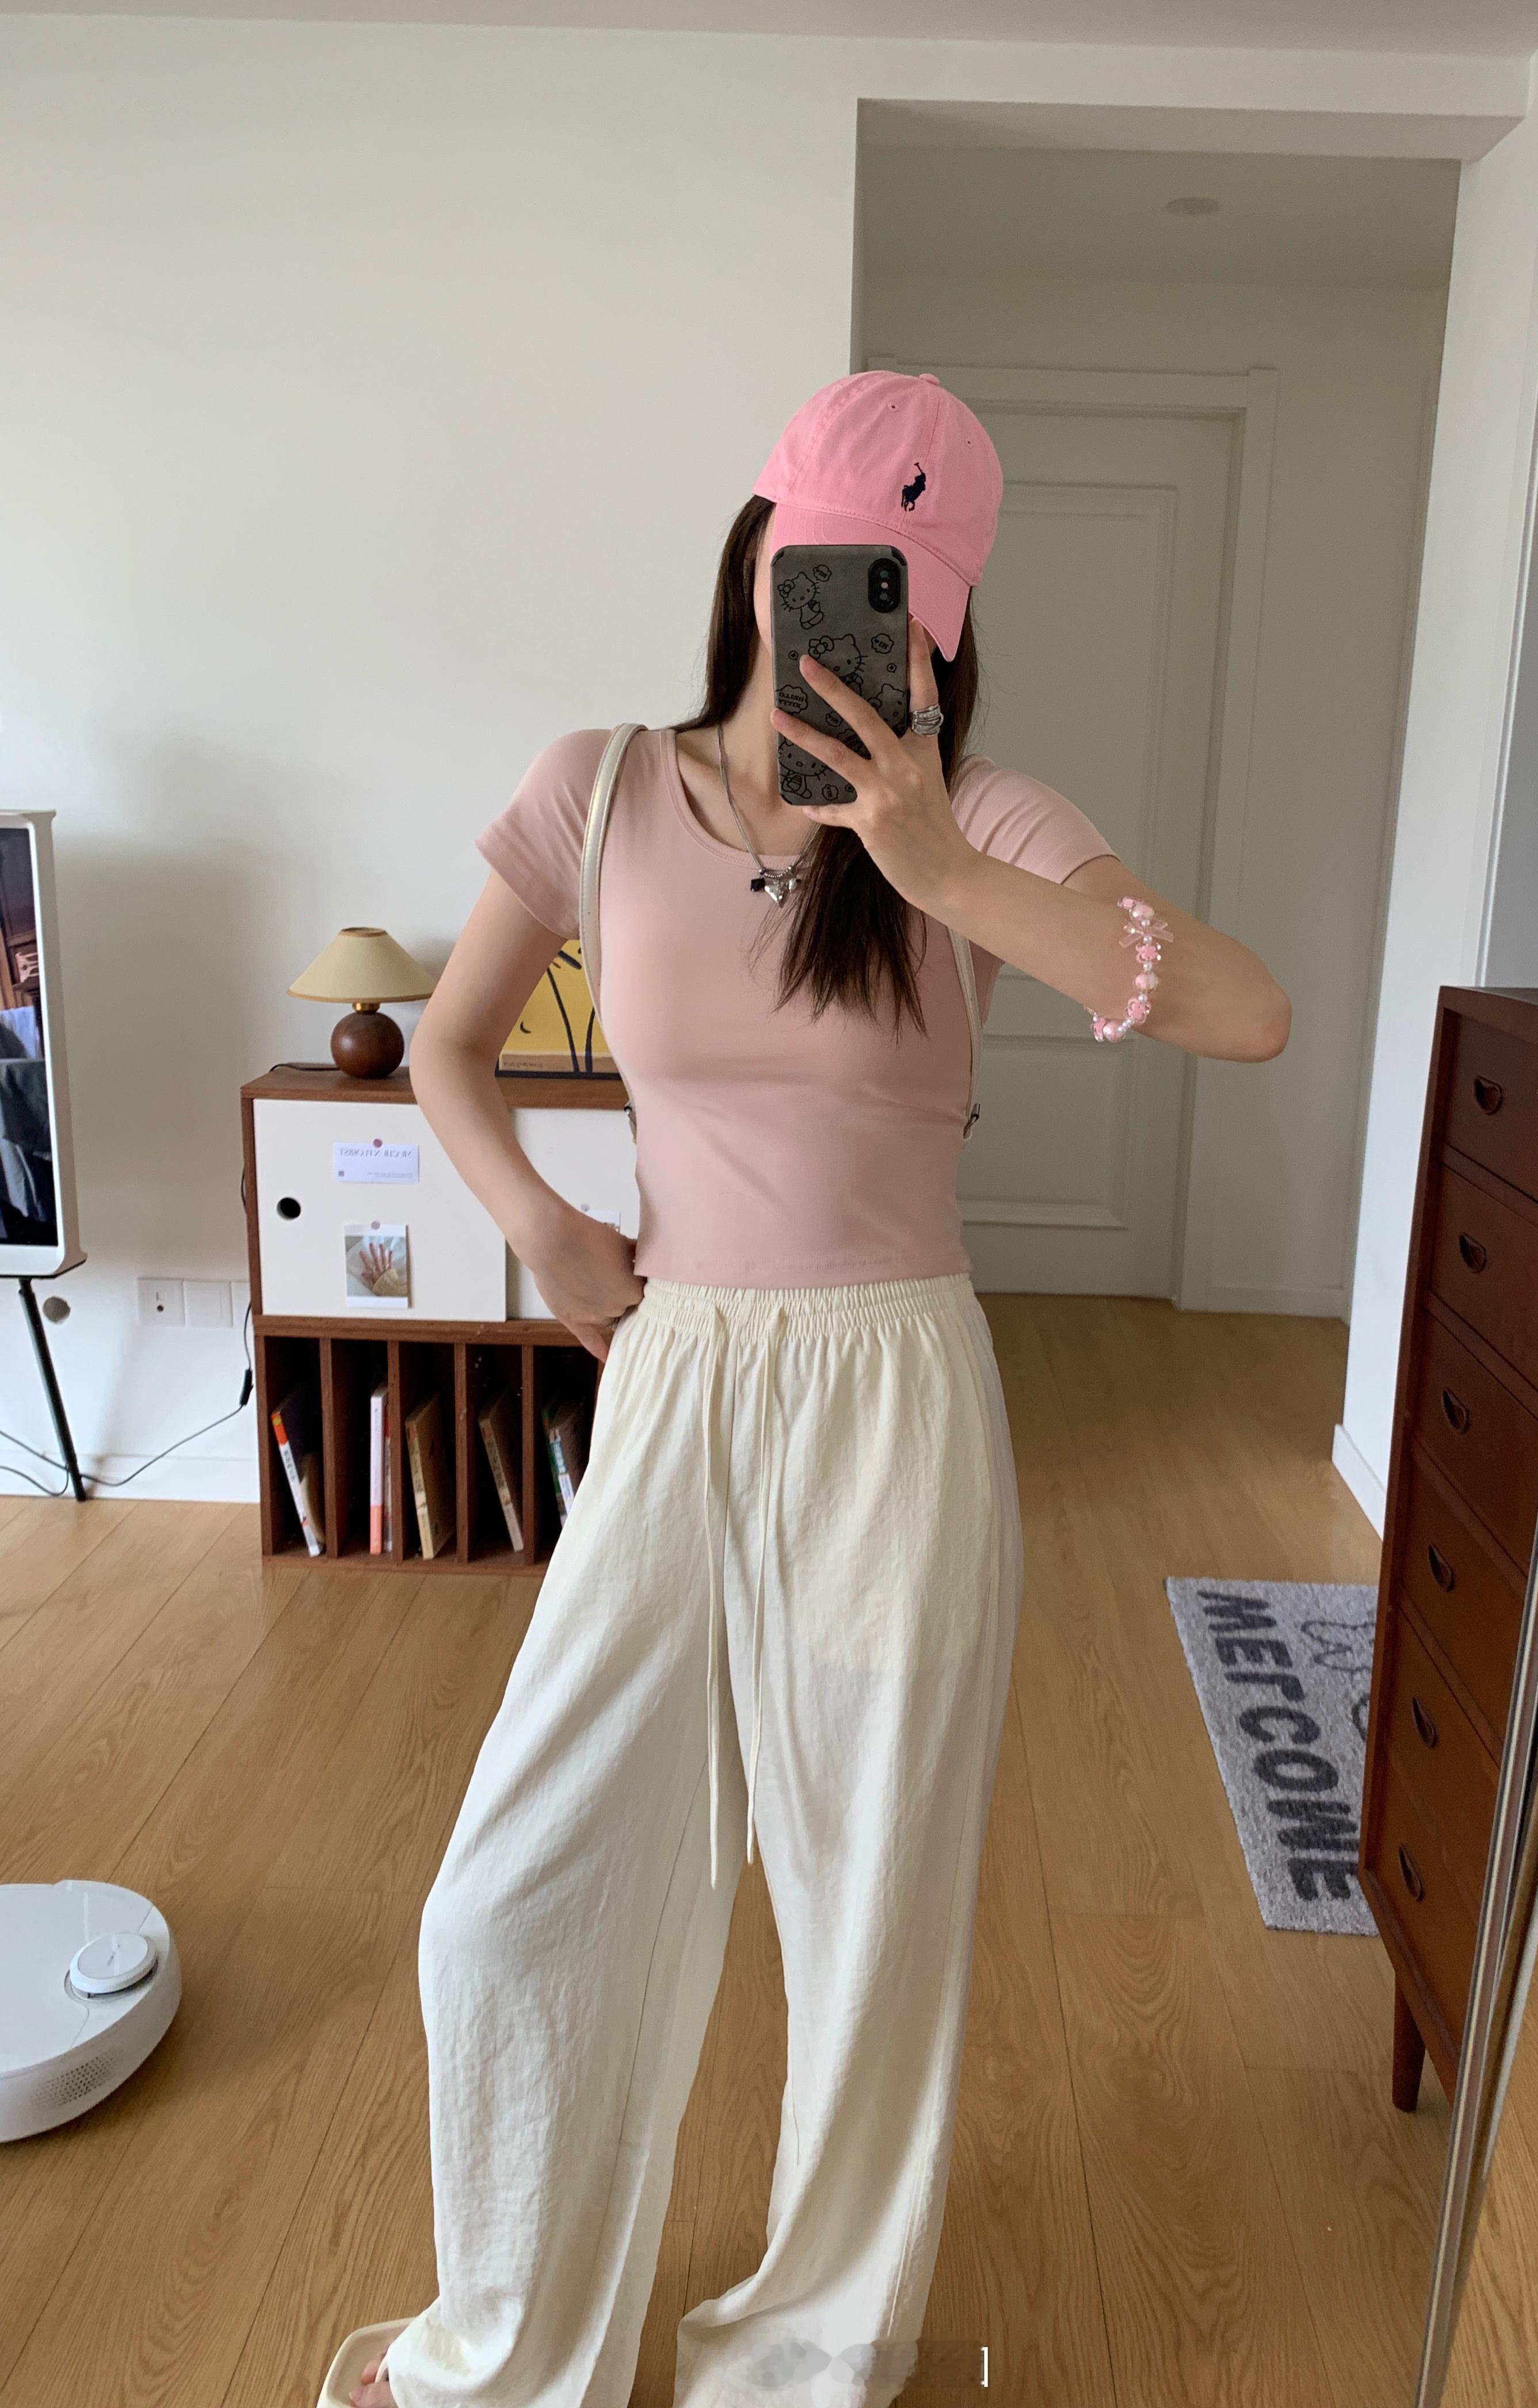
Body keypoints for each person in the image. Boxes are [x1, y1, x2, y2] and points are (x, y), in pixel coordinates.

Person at [341, 369, 1289, 2408]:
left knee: (869, 1928)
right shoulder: (599, 788)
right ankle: (511, 2341)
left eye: (898, 602)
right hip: (676, 1376)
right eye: (820, 576)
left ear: (941, 626)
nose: (847, 633)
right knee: (513, 1898)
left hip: (894, 1400)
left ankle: (804, 2351)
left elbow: (1247, 1012)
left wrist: (943, 873)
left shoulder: (983, 826)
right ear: (755, 560)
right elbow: (444, 1045)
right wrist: (540, 1225)